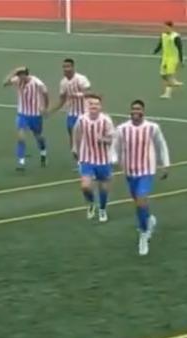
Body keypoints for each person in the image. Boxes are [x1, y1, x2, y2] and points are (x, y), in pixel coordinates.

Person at [111, 100, 170, 256]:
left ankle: (144, 234)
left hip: (147, 170)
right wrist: (114, 160)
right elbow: (114, 147)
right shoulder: (122, 129)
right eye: (133, 109)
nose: (135, 111)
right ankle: (148, 219)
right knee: (138, 203)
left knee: (141, 199)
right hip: (130, 171)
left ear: (144, 111)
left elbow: (161, 145)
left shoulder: (152, 128)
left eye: (139, 109)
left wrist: (165, 164)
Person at [72, 94, 114, 223]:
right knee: (85, 186)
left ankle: (102, 208)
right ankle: (91, 203)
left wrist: (103, 139)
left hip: (103, 159)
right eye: (91, 104)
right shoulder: (82, 119)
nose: (93, 106)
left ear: (100, 106)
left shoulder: (106, 120)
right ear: (87, 106)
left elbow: (113, 138)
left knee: (103, 187)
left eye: (96, 104)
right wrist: (75, 147)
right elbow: (76, 132)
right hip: (86, 158)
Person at [4, 66, 49, 170]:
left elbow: (46, 93)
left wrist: (45, 107)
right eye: (18, 74)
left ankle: (43, 152)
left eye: (21, 74)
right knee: (21, 137)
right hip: (22, 114)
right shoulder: (17, 80)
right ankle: (21, 161)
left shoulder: (36, 82)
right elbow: (5, 83)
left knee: (38, 136)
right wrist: (13, 71)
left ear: (26, 74)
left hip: (35, 114)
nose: (19, 77)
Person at [53, 58, 92, 169]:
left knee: (86, 137)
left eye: (68, 66)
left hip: (85, 113)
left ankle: (91, 157)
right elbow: (62, 99)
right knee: (72, 137)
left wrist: (78, 95)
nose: (66, 69)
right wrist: (51, 110)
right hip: (72, 113)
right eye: (64, 67)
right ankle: (79, 161)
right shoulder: (63, 82)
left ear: (73, 67)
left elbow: (89, 92)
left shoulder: (81, 79)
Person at [155, 21, 184, 99]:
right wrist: (156, 51)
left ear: (170, 27)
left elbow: (180, 49)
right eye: (163, 27)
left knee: (168, 75)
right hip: (165, 58)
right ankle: (174, 81)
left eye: (165, 27)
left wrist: (181, 60)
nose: (164, 29)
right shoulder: (163, 35)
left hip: (173, 58)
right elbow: (161, 44)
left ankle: (167, 93)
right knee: (163, 74)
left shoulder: (175, 37)